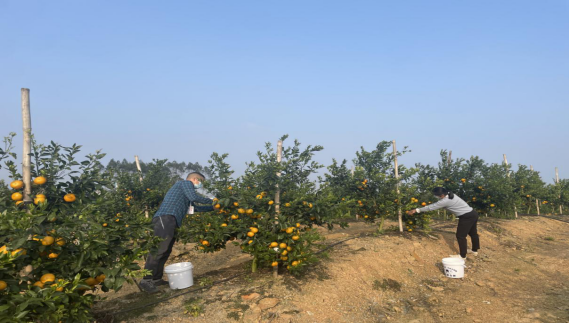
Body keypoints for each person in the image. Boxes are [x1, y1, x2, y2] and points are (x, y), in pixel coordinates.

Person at [139, 172, 214, 293]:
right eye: (201, 182)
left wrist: (214, 208)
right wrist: (214, 201)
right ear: (195, 179)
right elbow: (195, 198)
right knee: (159, 249)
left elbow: (195, 208)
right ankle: (146, 280)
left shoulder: (184, 193)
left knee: (166, 250)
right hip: (165, 218)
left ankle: (156, 279)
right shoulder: (185, 183)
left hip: (171, 220)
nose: (200, 185)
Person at [407, 187, 480, 260]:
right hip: (473, 213)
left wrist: (416, 210)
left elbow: (431, 207)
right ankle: (474, 251)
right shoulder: (451, 194)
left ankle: (462, 256)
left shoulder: (445, 201)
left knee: (460, 236)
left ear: (441, 195)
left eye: (436, 195)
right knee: (473, 233)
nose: (436, 196)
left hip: (466, 216)